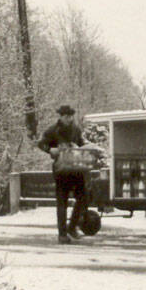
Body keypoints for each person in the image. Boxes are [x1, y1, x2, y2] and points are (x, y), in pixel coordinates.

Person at [38, 104, 88, 243]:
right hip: (61, 170)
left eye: (71, 116)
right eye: (66, 116)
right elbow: (41, 143)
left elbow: (82, 143)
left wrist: (85, 147)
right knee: (62, 201)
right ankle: (62, 234)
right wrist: (50, 150)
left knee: (83, 197)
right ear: (60, 116)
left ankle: (72, 226)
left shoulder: (76, 129)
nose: (69, 119)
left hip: (76, 168)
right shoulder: (53, 130)